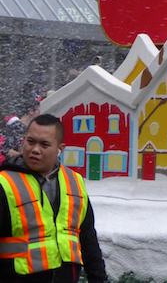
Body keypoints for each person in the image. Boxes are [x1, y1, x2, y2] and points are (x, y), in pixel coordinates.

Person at [0, 114, 107, 282]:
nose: (35, 149)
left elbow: (88, 240)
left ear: (60, 149)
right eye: (30, 141)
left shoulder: (75, 182)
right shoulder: (4, 183)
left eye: (44, 144)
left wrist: (99, 279)